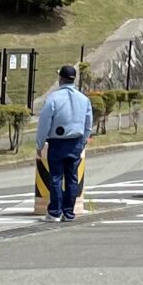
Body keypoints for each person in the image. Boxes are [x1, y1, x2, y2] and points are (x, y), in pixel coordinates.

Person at [32, 64, 94, 222]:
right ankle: (69, 212)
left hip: (57, 142)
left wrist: (40, 144)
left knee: (56, 178)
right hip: (75, 142)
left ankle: (54, 212)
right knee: (72, 177)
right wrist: (84, 141)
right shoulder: (84, 99)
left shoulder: (53, 98)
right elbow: (88, 124)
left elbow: (44, 123)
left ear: (61, 78)